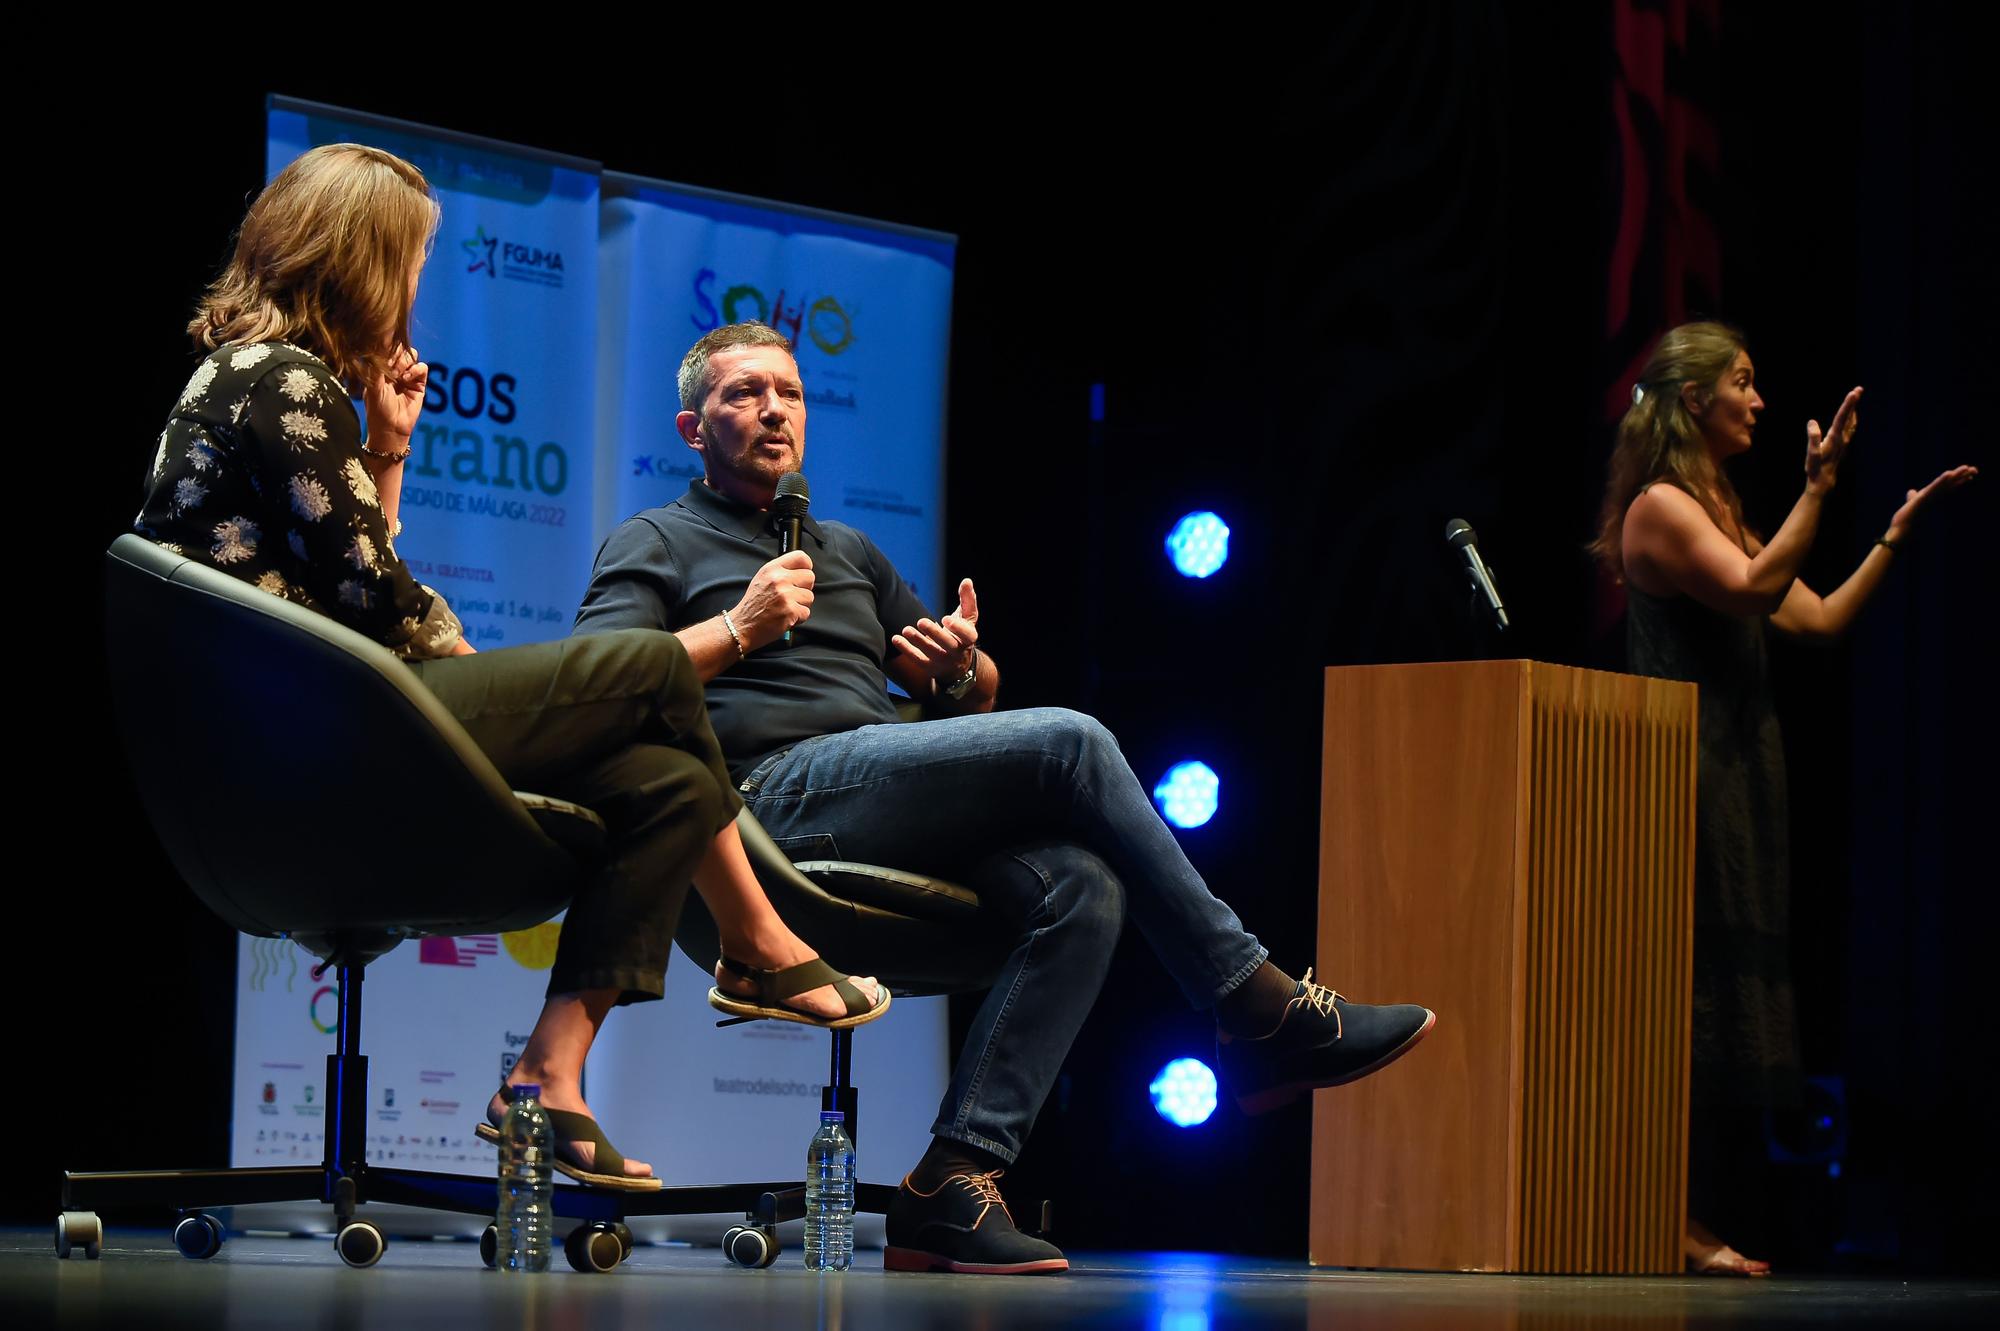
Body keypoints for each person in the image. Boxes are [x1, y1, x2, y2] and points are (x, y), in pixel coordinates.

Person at [574, 321, 1438, 1273]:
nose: (774, 408)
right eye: (744, 393)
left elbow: (970, 689)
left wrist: (959, 670)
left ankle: (954, 1176)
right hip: (753, 815)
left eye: (789, 390)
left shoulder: (848, 550)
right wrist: (738, 628)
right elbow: (600, 683)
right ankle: (1255, 999)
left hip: (874, 792)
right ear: (694, 429)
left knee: (1082, 883)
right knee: (1071, 739)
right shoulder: (654, 538)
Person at [133, 146, 886, 1194]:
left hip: (313, 728)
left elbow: (355, 586)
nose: (413, 289)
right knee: (642, 672)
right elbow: (379, 609)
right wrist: (488, 672)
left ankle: (546, 1077)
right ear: (361, 259)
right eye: (410, 261)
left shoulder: (275, 383)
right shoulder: (283, 379)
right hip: (309, 745)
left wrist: (390, 452)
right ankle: (757, 941)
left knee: (664, 783)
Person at [1591, 321, 1976, 1274]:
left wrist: (1890, 535)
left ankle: (1689, 1217)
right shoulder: (1663, 507)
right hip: (1683, 772)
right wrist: (1819, 489)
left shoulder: (1716, 506)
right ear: (1694, 402)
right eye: (1744, 384)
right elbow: (1761, 588)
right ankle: (1668, 1218)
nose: (1760, 402)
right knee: (1681, 998)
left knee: (1716, 991)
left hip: (1736, 772)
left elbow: (1817, 614)